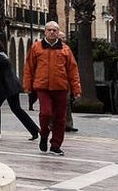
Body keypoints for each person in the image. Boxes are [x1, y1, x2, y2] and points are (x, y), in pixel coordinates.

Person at [24, 21, 82, 156]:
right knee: (45, 113)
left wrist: (76, 90)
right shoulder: (36, 48)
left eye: (54, 30)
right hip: (42, 87)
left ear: (58, 32)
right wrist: (27, 86)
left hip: (61, 88)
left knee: (60, 118)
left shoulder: (65, 50)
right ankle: (43, 134)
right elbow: (29, 68)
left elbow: (73, 71)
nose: (51, 32)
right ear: (44, 32)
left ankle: (56, 145)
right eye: (49, 30)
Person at [0, 37, 39, 141]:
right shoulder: (0, 55)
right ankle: (34, 130)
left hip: (6, 87)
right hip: (10, 86)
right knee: (16, 109)